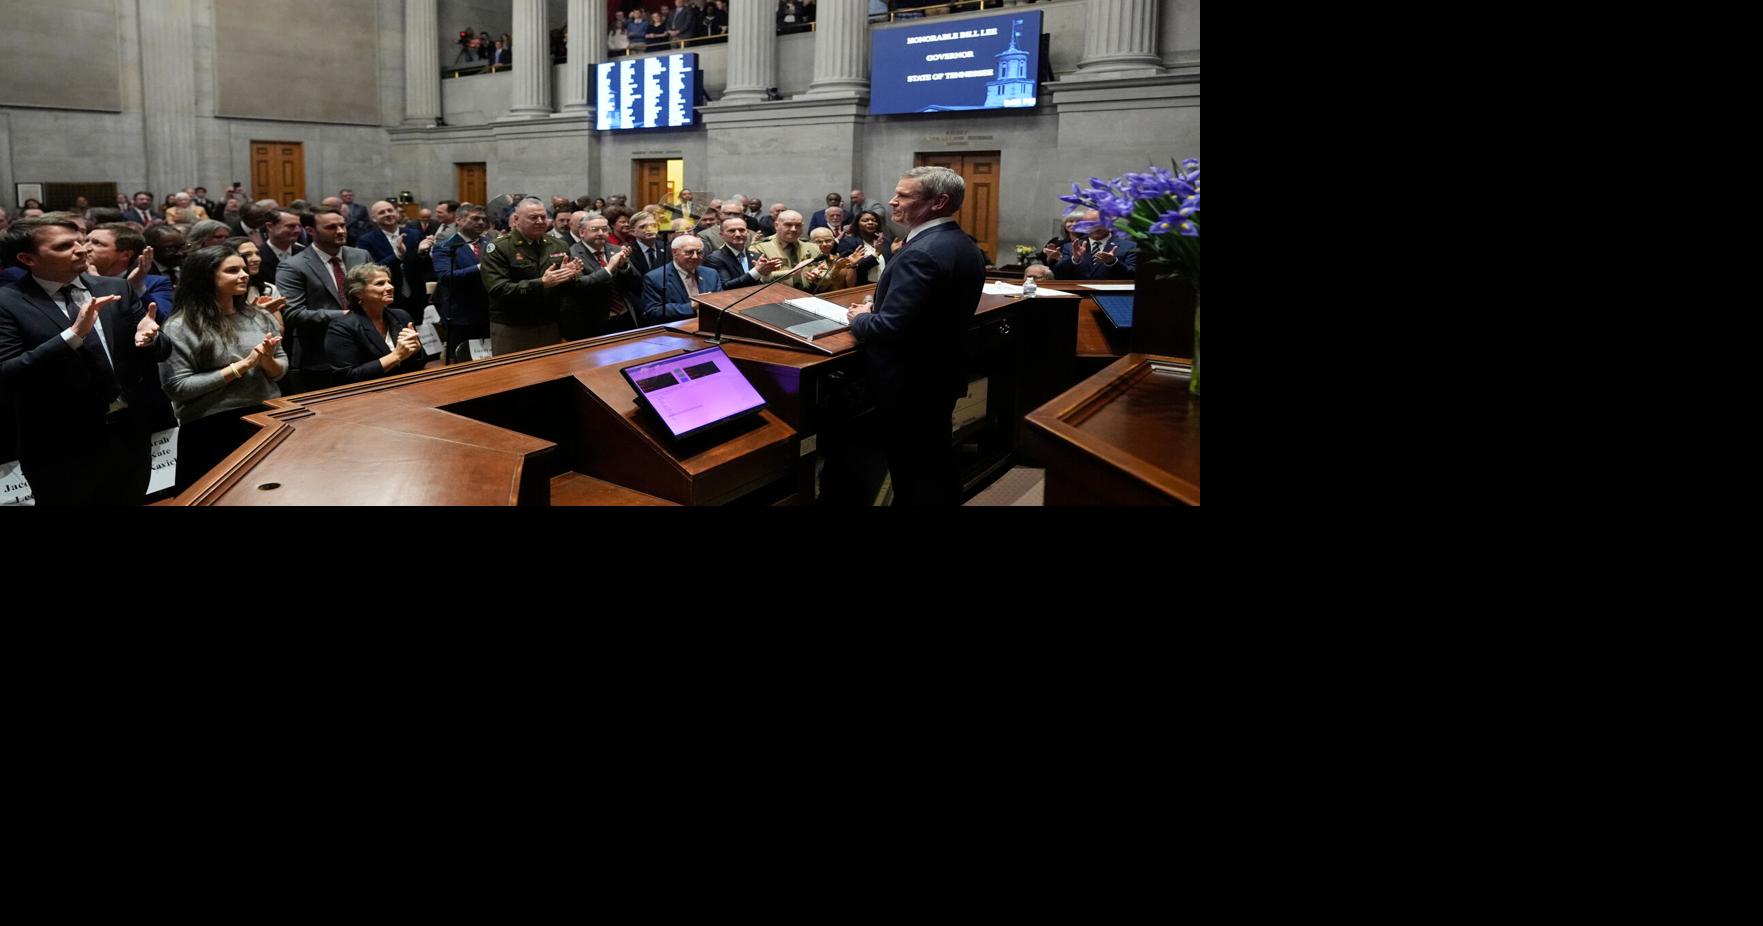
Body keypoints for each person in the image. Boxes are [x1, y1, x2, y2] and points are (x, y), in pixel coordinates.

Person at [0, 213, 174, 505]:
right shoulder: (8, 302)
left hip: (128, 434)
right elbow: (8, 373)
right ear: (27, 258)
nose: (81, 249)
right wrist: (72, 336)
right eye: (64, 246)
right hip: (60, 447)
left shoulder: (114, 288)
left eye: (80, 241)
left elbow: (162, 350)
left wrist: (152, 339)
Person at [844, 167, 986, 506]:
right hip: (939, 375)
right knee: (935, 464)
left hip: (909, 384)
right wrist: (883, 302)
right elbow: (930, 309)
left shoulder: (921, 252)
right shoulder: (962, 243)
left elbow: (888, 329)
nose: (892, 201)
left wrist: (861, 318)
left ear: (938, 202)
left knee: (913, 474)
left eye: (904, 195)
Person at [158, 245, 286, 492]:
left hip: (266, 417)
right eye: (232, 270)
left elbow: (280, 370)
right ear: (207, 278)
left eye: (244, 269)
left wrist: (266, 360)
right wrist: (241, 367)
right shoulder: (180, 326)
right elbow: (177, 387)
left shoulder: (259, 316)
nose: (244, 275)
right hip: (211, 426)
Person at [479, 197, 617, 355]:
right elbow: (498, 289)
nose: (539, 221)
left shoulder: (558, 245)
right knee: (513, 377)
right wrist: (542, 283)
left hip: (550, 324)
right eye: (533, 217)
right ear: (516, 219)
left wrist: (569, 276)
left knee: (551, 375)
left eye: (543, 217)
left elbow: (572, 290)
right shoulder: (499, 248)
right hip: (513, 326)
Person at [275, 206, 371, 393]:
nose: (341, 231)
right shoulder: (292, 266)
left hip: (366, 351)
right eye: (331, 227)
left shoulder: (360, 255)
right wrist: (346, 316)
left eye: (342, 225)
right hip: (320, 356)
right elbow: (293, 314)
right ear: (310, 231)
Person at [326, 263, 426, 384]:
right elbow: (347, 376)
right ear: (358, 292)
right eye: (380, 283)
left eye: (389, 281)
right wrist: (396, 356)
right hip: (368, 395)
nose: (390, 287)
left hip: (406, 386)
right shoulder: (341, 327)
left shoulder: (401, 316)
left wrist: (416, 350)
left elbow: (420, 362)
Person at [430, 203, 491, 363]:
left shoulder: (490, 244)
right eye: (475, 219)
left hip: (490, 312)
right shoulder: (445, 247)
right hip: (461, 315)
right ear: (459, 220)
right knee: (462, 363)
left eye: (484, 219)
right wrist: (480, 267)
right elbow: (446, 277)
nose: (481, 223)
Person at [87, 222, 174, 322]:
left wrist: (136, 287)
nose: (85, 248)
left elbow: (161, 320)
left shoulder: (155, 283)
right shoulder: (73, 279)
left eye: (97, 243)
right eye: (85, 241)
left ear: (126, 255)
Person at [567, 214, 637, 333]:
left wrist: (623, 267)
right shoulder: (572, 254)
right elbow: (579, 285)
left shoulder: (616, 249)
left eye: (604, 229)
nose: (600, 233)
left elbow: (635, 282)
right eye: (595, 229)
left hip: (625, 316)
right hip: (593, 320)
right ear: (582, 232)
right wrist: (608, 269)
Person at [640, 234, 722, 324]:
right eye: (689, 252)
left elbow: (722, 302)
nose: (695, 256)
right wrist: (692, 306)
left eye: (699, 252)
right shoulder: (655, 278)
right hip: (676, 329)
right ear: (674, 252)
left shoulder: (711, 274)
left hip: (710, 325)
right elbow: (653, 311)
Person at [753, 210, 831, 291]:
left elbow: (827, 274)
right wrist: (792, 272)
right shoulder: (760, 248)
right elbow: (758, 278)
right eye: (788, 225)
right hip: (775, 297)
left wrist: (818, 276)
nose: (794, 229)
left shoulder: (812, 247)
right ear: (776, 225)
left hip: (809, 296)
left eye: (798, 225)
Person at [1052, 208, 1137, 280]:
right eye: (1090, 223)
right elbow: (1058, 274)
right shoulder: (1071, 247)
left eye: (1099, 222)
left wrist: (1113, 262)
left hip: (1112, 296)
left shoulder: (1129, 246)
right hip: (1079, 295)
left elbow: (1134, 275)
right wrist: (1075, 259)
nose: (1095, 227)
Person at [703, 216, 783, 289]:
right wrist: (757, 272)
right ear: (722, 235)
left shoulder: (756, 256)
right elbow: (725, 286)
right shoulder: (715, 258)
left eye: (742, 230)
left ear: (747, 232)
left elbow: (761, 285)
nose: (738, 234)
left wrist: (766, 275)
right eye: (732, 231)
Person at [228, 237, 289, 333]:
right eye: (247, 255)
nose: (256, 259)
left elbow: (280, 330)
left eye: (257, 253)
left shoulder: (268, 290)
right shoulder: (221, 292)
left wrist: (265, 313)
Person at [836, 210, 893, 285]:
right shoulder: (848, 242)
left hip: (886, 284)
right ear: (857, 224)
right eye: (865, 220)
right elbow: (850, 269)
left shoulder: (884, 241)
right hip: (863, 286)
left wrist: (896, 252)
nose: (870, 222)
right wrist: (875, 254)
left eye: (874, 220)